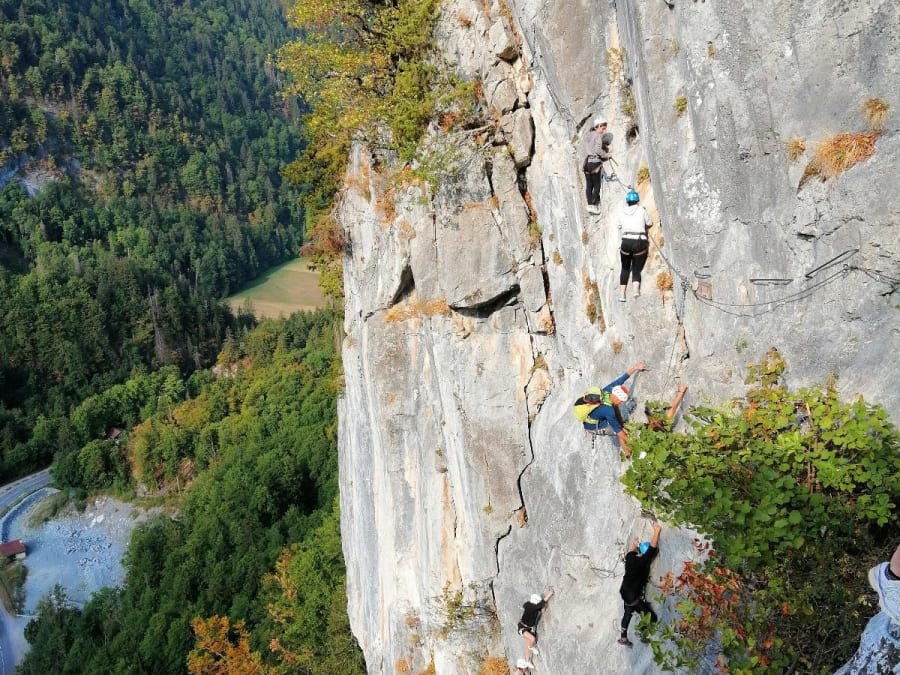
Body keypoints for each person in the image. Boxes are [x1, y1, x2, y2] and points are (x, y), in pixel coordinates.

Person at [574, 362, 647, 457]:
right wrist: (639, 448)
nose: (621, 403)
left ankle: (627, 451)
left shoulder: (608, 390)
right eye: (621, 401)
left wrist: (635, 368)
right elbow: (620, 433)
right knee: (622, 432)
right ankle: (629, 454)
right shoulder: (608, 410)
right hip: (592, 426)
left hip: (596, 414)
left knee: (619, 421)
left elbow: (622, 378)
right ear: (616, 397)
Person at [618, 522, 662, 646]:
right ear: (643, 554)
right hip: (633, 596)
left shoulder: (630, 559)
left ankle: (623, 637)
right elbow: (652, 548)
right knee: (652, 618)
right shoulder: (643, 562)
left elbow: (631, 551)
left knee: (628, 613)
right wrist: (656, 531)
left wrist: (634, 544)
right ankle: (641, 631)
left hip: (624, 591)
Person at [617, 189, 652, 302]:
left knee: (625, 268)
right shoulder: (641, 210)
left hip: (626, 242)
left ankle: (622, 294)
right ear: (637, 201)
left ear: (627, 202)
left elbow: (619, 226)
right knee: (636, 269)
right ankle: (636, 290)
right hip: (639, 241)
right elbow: (649, 223)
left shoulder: (622, 212)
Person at [579, 117, 610, 214]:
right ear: (599, 126)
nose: (604, 131)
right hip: (595, 163)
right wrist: (606, 155)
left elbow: (590, 145)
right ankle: (593, 204)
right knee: (597, 185)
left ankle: (589, 204)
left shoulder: (588, 134)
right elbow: (597, 150)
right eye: (603, 128)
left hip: (587, 163)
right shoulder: (598, 136)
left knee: (589, 185)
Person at [518, 589, 554, 661]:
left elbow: (541, 606)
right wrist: (550, 594)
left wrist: (543, 607)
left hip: (529, 628)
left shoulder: (529, 605)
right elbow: (541, 604)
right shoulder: (531, 607)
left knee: (528, 643)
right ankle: (531, 647)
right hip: (522, 628)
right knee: (532, 639)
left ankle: (527, 660)